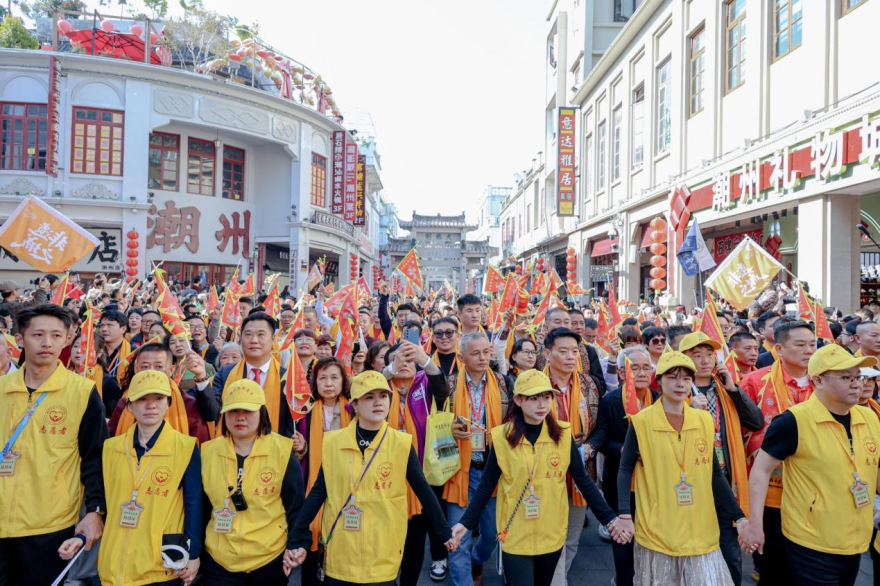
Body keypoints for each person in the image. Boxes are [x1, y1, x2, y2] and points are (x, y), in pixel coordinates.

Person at [450, 370, 624, 586]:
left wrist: (611, 519)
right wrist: (465, 523)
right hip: (515, 533)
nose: (542, 405)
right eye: (533, 398)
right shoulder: (502, 437)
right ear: (518, 400)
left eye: (546, 397)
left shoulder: (562, 435)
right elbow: (487, 485)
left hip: (551, 533)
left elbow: (584, 482)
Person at [288, 371, 455, 584]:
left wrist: (444, 532)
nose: (378, 402)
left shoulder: (401, 443)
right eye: (369, 397)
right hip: (341, 551)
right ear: (355, 404)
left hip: (382, 552)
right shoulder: (333, 442)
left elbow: (423, 490)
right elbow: (319, 492)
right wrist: (296, 537)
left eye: (383, 396)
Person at [742, 345, 880, 586]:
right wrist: (755, 524)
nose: (856, 384)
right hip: (810, 540)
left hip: (856, 538)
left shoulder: (869, 418)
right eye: (846, 377)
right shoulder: (793, 421)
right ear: (818, 381)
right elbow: (761, 471)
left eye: (858, 377)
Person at [616, 351, 749, 585]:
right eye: (673, 377)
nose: (680, 384)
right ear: (660, 381)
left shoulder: (703, 420)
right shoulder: (642, 421)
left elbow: (715, 474)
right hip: (659, 527)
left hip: (701, 526)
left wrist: (738, 517)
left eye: (687, 378)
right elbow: (625, 469)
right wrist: (625, 515)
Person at [0, 305, 107, 584]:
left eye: (56, 335)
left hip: (50, 526)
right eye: (38, 334)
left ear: (66, 339)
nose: (47, 343)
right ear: (20, 340)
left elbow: (95, 458)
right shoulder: (1, 389)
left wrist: (95, 511)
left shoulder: (82, 392)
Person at [70, 370, 200, 586]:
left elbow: (193, 504)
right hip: (113, 564)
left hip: (159, 565)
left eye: (158, 399)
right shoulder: (111, 448)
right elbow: (101, 501)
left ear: (168, 403)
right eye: (142, 399)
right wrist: (81, 538)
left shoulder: (186, 447)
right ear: (129, 405)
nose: (150, 406)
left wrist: (193, 553)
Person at [200, 379, 305, 584]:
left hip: (269, 560)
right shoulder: (206, 452)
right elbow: (201, 509)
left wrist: (297, 544)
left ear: (261, 413)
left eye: (248, 411)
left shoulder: (282, 451)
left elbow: (295, 506)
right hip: (219, 562)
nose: (240, 417)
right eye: (233, 411)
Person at [678, 331, 762, 586]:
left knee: (729, 552)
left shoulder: (725, 390)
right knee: (692, 549)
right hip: (692, 481)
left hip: (725, 479)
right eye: (697, 355)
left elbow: (755, 422)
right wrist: (690, 413)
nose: (705, 361)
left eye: (709, 355)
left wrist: (733, 389)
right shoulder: (677, 391)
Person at [586, 346, 657, 586]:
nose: (641, 372)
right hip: (620, 478)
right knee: (624, 538)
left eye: (646, 367)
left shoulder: (658, 398)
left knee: (651, 536)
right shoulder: (611, 400)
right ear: (622, 371)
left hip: (654, 480)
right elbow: (602, 438)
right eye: (634, 367)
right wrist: (622, 450)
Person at [381, 340, 450, 586]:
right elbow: (368, 385)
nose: (405, 365)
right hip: (384, 479)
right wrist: (390, 369)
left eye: (411, 361)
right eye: (400, 360)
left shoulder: (425, 385)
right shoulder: (380, 391)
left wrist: (425, 359)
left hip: (421, 478)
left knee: (415, 541)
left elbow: (443, 389)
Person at [445, 332, 510, 586]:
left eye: (486, 352)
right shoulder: (448, 386)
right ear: (461, 357)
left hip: (493, 470)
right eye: (475, 353)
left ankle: (478, 558)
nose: (482, 357)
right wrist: (448, 429)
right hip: (460, 469)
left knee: (493, 534)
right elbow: (434, 423)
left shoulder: (503, 384)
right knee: (458, 537)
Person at [541, 327, 601, 585]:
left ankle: (559, 577)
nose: (570, 357)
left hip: (581, 472)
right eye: (563, 351)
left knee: (573, 536)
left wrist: (589, 448)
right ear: (547, 353)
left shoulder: (589, 384)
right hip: (544, 471)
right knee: (549, 535)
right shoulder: (535, 383)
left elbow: (601, 428)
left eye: (574, 351)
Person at [296, 357, 352, 585]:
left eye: (334, 377)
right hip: (314, 482)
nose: (328, 383)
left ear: (343, 381)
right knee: (313, 538)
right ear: (315, 382)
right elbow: (299, 453)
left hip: (347, 481)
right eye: (323, 378)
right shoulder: (304, 410)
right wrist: (302, 448)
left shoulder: (353, 407)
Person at [209, 313, 295, 437]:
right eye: (248, 334)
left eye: (261, 335)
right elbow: (214, 413)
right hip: (233, 448)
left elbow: (291, 425)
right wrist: (201, 381)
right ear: (241, 338)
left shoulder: (287, 378)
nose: (254, 340)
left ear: (272, 339)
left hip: (275, 450)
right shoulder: (226, 374)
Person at [432, 316, 463, 380]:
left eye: (449, 332)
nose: (444, 337)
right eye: (439, 333)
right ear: (433, 338)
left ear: (458, 336)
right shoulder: (426, 364)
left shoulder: (466, 362)